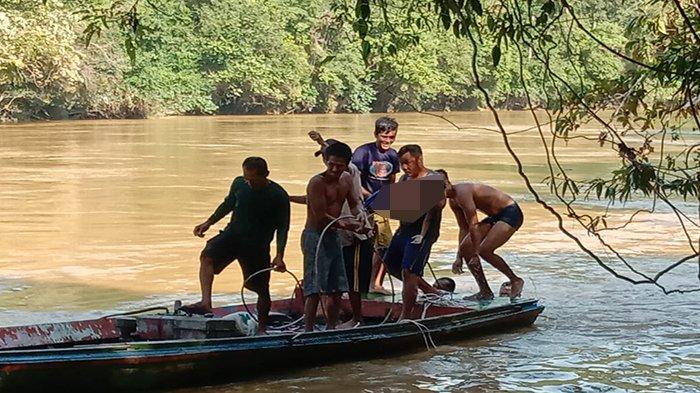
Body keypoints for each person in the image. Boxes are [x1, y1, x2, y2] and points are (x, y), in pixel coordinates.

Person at [182, 157, 290, 334]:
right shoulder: (240, 184)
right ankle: (206, 303)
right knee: (207, 256)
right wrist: (209, 222)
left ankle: (262, 328)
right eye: (246, 178)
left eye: (253, 180)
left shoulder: (278, 195)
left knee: (260, 288)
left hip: (257, 244)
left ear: (266, 175)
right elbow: (228, 204)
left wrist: (279, 255)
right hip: (233, 235)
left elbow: (283, 228)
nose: (249, 183)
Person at [292, 132, 374, 328]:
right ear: (326, 162)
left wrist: (360, 217)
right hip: (315, 236)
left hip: (333, 236)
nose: (334, 169)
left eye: (339, 165)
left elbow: (354, 203)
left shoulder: (346, 178)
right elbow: (320, 216)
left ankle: (331, 327)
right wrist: (347, 225)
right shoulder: (317, 182)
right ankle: (308, 330)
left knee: (337, 287)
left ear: (347, 165)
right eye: (331, 164)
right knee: (314, 287)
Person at [440, 169, 525, 300]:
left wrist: (475, 253)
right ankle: (485, 291)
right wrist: (459, 256)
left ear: (448, 182)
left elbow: (473, 224)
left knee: (484, 250)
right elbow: (464, 229)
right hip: (494, 216)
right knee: (466, 248)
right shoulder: (453, 202)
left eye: (443, 185)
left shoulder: (462, 192)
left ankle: (515, 280)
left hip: (510, 212)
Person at [383, 144, 445, 320]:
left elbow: (440, 205)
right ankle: (428, 289)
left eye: (407, 163)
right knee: (389, 264)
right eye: (401, 164)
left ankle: (407, 315)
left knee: (409, 272)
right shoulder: (404, 179)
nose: (404, 167)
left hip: (423, 233)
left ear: (419, 159)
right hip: (404, 228)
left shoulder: (434, 178)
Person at [351, 117, 401, 295]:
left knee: (384, 245)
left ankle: (376, 283)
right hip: (362, 206)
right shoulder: (363, 152)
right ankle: (357, 285)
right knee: (361, 245)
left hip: (383, 207)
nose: (387, 141)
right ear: (376, 134)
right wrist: (369, 195)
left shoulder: (393, 155)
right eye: (384, 137)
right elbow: (352, 178)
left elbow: (393, 179)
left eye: (391, 138)